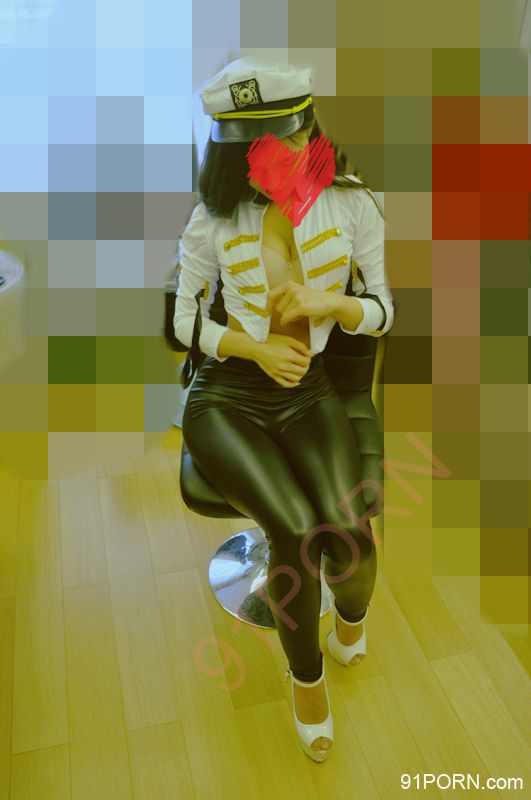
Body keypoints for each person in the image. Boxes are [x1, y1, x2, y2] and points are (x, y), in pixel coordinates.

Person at [174, 57, 394, 762]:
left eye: (289, 140)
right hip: (227, 396)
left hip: (309, 394)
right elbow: (181, 322)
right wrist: (251, 347)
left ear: (307, 131)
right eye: (256, 147)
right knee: (296, 529)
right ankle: (307, 681)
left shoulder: (353, 204)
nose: (278, 158)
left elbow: (382, 310)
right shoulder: (212, 219)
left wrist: (331, 302)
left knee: (350, 534)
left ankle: (350, 625)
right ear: (235, 152)